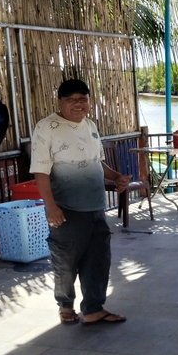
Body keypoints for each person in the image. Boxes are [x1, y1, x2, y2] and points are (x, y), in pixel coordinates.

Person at [30, 79, 130, 325]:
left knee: (98, 259)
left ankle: (94, 309)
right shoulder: (47, 127)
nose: (78, 104)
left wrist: (116, 177)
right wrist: (51, 207)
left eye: (82, 98)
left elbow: (96, 161)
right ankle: (65, 306)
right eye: (70, 99)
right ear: (60, 102)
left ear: (89, 101)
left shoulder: (91, 125)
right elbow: (40, 171)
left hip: (96, 206)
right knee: (65, 260)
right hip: (66, 209)